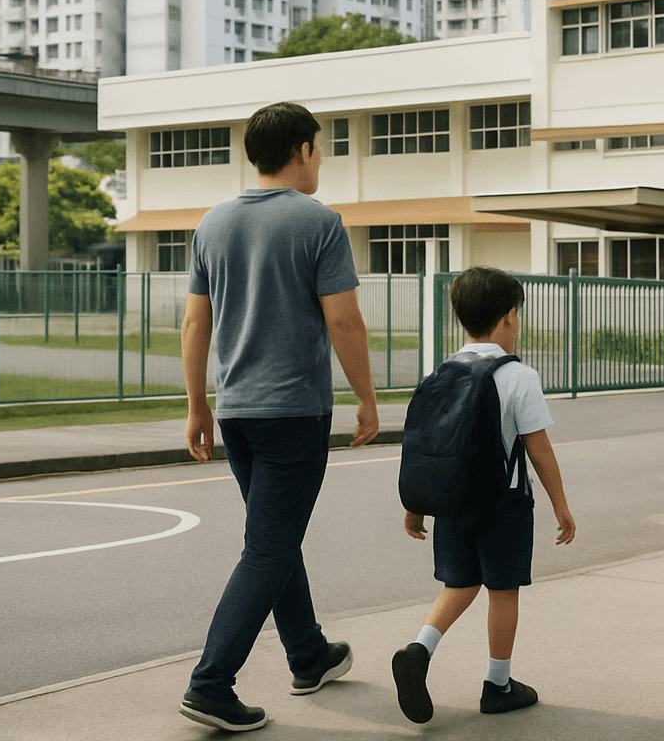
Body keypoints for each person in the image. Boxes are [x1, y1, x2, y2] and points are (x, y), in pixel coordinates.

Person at [178, 101, 380, 733]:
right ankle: (210, 684)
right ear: (301, 150)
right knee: (268, 545)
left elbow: (194, 322)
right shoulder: (319, 222)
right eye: (318, 148)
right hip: (294, 412)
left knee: (273, 535)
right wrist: (368, 399)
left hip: (236, 412)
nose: (320, 159)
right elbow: (342, 319)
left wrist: (197, 406)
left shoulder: (212, 223)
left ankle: (308, 653)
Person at [391, 266, 576, 724]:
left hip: (451, 501)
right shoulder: (518, 376)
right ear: (509, 317)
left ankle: (419, 650)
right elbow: (539, 449)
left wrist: (416, 506)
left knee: (460, 582)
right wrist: (561, 506)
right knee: (503, 588)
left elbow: (428, 446)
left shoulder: (443, 371)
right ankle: (498, 684)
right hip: (504, 503)